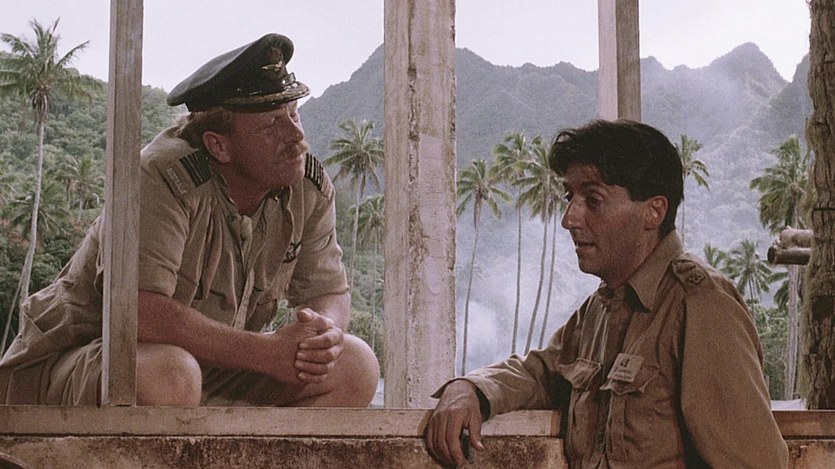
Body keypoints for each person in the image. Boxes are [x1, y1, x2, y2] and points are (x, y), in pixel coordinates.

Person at [0, 33, 380, 407]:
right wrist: (266, 352)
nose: (296, 135)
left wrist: (321, 336)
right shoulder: (161, 176)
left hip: (205, 369)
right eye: (271, 126)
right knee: (171, 375)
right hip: (86, 360)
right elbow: (138, 313)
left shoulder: (305, 187)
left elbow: (329, 290)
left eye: (293, 115)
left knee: (354, 365)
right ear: (218, 145)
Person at [426, 119, 788, 468]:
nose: (570, 219)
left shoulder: (700, 305)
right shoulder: (600, 310)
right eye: (570, 197)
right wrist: (470, 389)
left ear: (653, 212)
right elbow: (542, 373)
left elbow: (755, 462)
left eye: (593, 200)